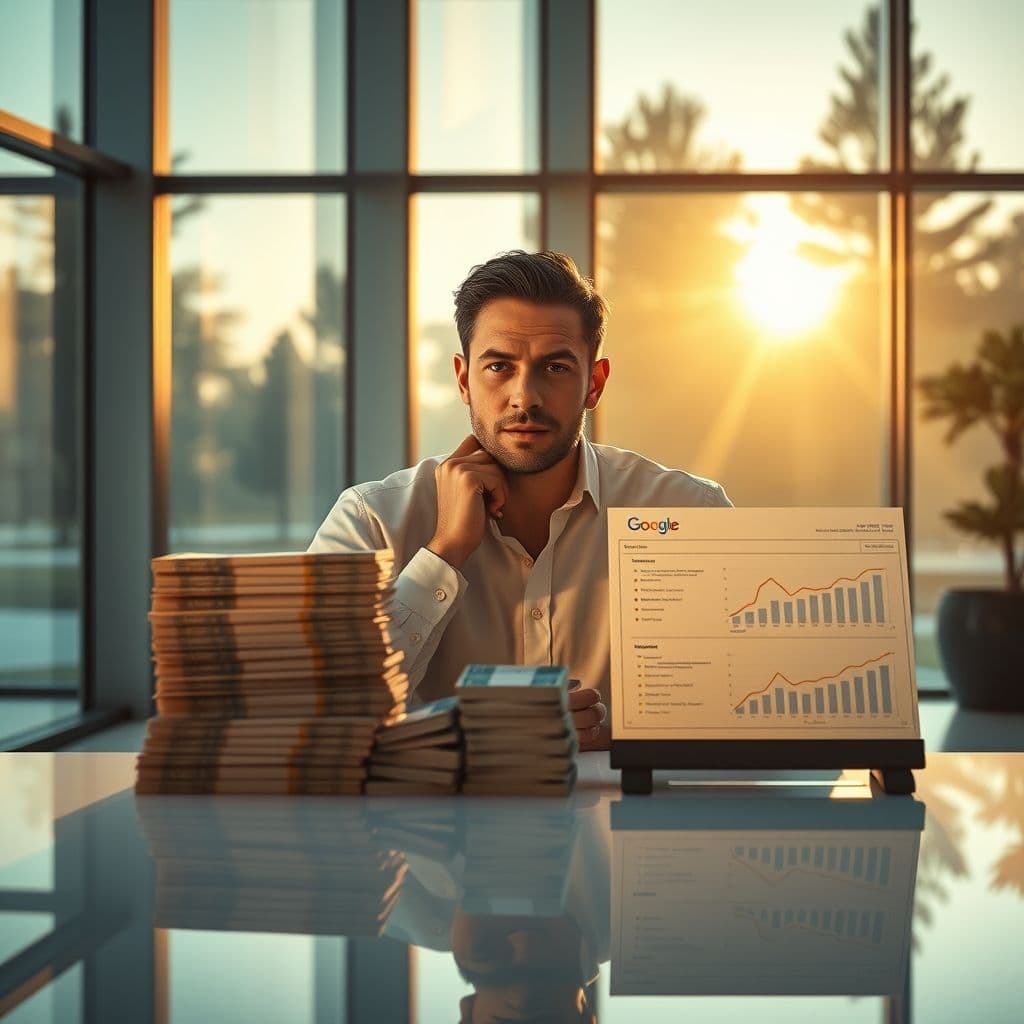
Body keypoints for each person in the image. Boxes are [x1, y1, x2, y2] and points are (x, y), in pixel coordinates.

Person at [309, 250, 731, 751]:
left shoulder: (690, 514)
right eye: (498, 367)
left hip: (631, 804)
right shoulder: (371, 520)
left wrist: (614, 737)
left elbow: (742, 709)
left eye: (555, 367)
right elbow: (315, 715)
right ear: (463, 379)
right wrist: (443, 552)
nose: (525, 396)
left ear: (594, 384)